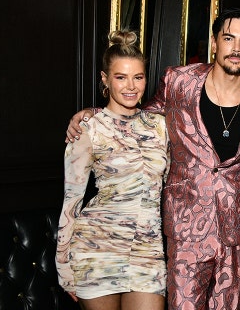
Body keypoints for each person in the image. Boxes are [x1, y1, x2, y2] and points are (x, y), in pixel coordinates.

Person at [66, 7, 240, 310]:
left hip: (237, 233)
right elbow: (141, 121)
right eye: (229, 38)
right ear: (214, 42)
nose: (236, 48)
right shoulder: (178, 82)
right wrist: (96, 114)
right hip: (185, 226)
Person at [56, 30, 169, 310]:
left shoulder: (160, 126)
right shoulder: (88, 128)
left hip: (148, 250)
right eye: (121, 77)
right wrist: (63, 266)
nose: (131, 86)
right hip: (96, 249)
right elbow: (71, 200)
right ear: (105, 79)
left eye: (138, 77)